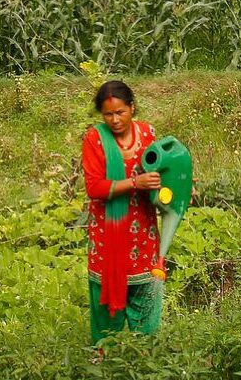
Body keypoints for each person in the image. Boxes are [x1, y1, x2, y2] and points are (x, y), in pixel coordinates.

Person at [80, 80, 166, 348]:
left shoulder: (148, 134)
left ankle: (145, 356)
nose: (115, 120)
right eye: (108, 114)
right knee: (106, 308)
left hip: (143, 235)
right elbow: (94, 187)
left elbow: (161, 169)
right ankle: (105, 356)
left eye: (120, 112)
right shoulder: (95, 139)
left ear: (132, 108)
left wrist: (174, 185)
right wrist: (134, 183)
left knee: (147, 298)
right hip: (109, 239)